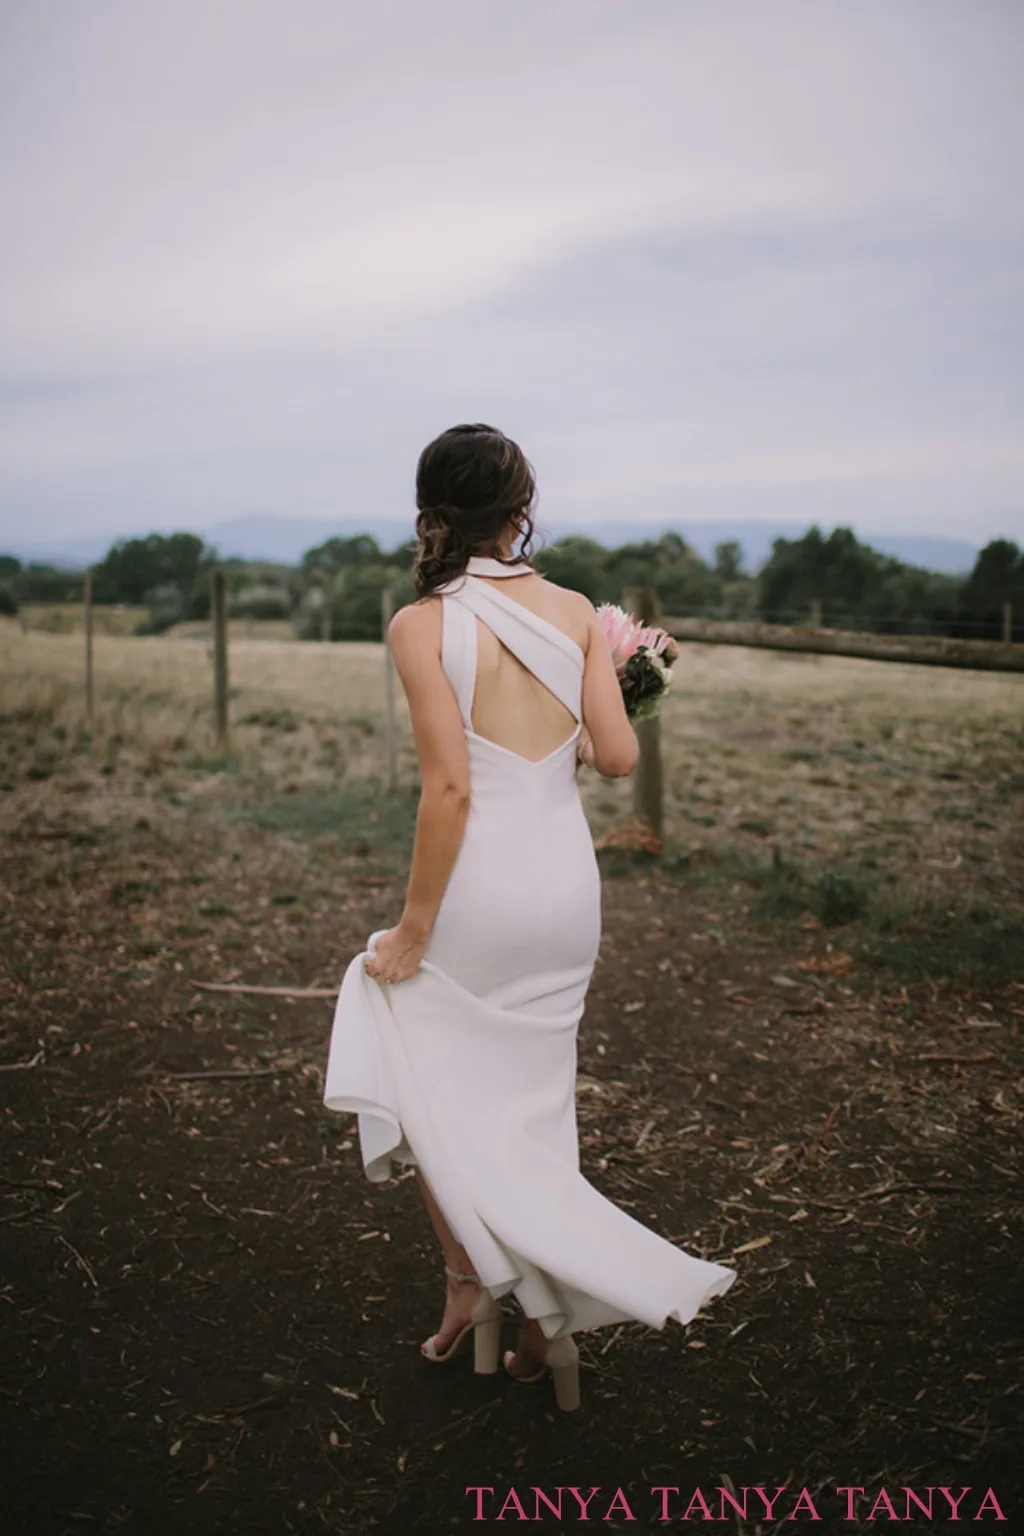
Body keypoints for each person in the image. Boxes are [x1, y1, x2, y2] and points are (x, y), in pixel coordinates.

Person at [323, 424, 736, 1412]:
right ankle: (542, 1324)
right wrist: (599, 710)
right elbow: (619, 757)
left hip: (480, 889)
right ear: (520, 509)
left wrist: (415, 927)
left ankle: (475, 1277)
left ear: (431, 511)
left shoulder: (418, 625)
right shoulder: (576, 615)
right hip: (563, 890)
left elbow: (450, 792)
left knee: (411, 1054)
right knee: (534, 1099)